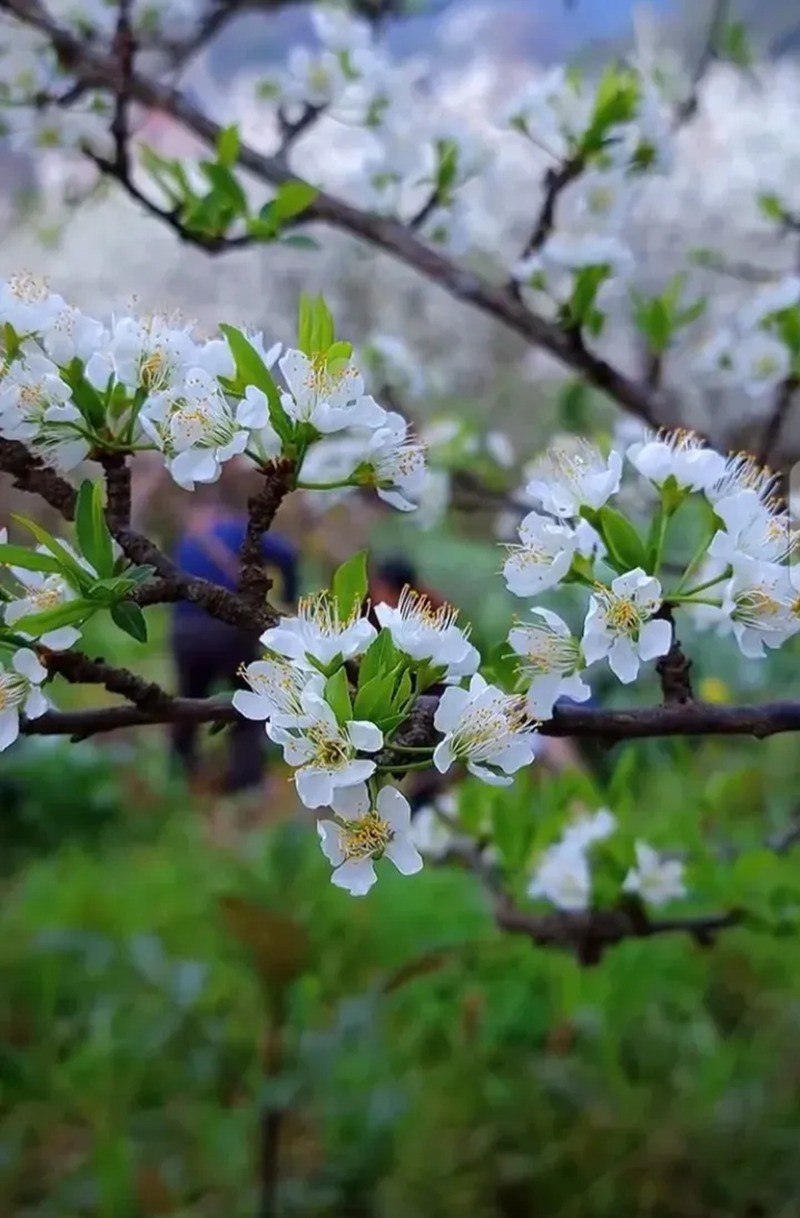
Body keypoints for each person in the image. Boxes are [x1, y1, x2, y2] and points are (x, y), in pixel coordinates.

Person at [170, 490, 298, 794]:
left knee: (188, 702)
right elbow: (289, 554)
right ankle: (247, 780)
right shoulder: (239, 529)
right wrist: (291, 595)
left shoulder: (186, 541)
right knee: (248, 705)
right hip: (231, 633)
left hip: (186, 632)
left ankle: (179, 771)